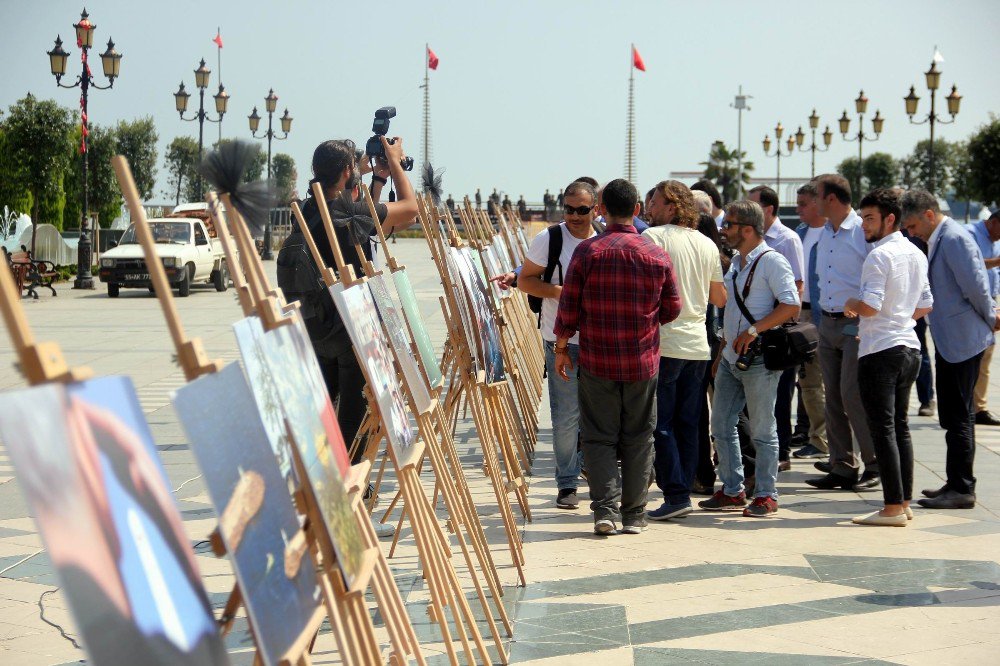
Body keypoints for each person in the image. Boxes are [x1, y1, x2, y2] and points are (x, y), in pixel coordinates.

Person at [280, 137, 417, 532]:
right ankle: (346, 498)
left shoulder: (306, 208)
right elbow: (410, 210)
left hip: (315, 324)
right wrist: (395, 164)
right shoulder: (346, 210)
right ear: (346, 173)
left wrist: (375, 180)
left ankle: (322, 487)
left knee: (323, 412)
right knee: (352, 417)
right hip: (348, 328)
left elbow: (366, 228)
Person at [553, 178, 681, 535]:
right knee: (640, 436)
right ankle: (635, 515)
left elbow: (569, 309)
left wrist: (561, 349)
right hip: (642, 362)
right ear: (637, 210)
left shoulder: (587, 253)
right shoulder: (656, 254)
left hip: (597, 360)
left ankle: (605, 511)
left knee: (598, 436)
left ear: (602, 210)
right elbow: (672, 309)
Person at [700, 200, 800, 517]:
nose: (724, 230)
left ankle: (767, 493)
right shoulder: (736, 264)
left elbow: (791, 305)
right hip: (731, 358)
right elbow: (731, 312)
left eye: (728, 225)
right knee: (721, 424)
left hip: (758, 360)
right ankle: (733, 489)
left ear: (747, 229)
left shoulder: (772, 262)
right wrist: (721, 353)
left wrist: (754, 331)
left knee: (762, 429)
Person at [901, 190, 998, 510]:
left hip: (965, 339)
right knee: (954, 415)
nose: (911, 232)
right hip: (950, 339)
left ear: (929, 215)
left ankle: (963, 487)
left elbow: (977, 286)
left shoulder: (954, 238)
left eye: (913, 225)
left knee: (959, 417)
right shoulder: (941, 237)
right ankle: (955, 481)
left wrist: (989, 320)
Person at [843, 189, 932, 526]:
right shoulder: (915, 253)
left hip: (881, 349)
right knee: (899, 428)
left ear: (889, 219)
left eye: (869, 218)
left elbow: (871, 305)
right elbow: (925, 305)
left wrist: (852, 303)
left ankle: (893, 507)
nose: (863, 225)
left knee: (883, 429)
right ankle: (903, 502)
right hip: (909, 346)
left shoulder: (879, 257)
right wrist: (901, 316)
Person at [642, 181, 726, 520]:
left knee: (661, 423)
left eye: (656, 202)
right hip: (697, 344)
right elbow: (719, 298)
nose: (650, 208)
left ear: (672, 205)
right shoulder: (706, 243)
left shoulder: (653, 238)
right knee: (689, 422)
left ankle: (675, 494)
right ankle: (685, 487)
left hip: (665, 341)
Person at [519, 180, 599, 509]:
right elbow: (525, 280)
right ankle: (566, 482)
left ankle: (593, 471)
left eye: (582, 209)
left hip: (599, 342)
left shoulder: (605, 239)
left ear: (596, 209)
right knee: (566, 415)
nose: (575, 216)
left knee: (598, 415)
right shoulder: (549, 239)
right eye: (569, 209)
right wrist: (557, 292)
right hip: (560, 341)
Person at [805, 174, 880, 492]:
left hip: (856, 325)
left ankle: (875, 462)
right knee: (832, 395)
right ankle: (842, 465)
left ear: (831, 199)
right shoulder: (825, 235)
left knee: (852, 393)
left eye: (816, 196)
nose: (813, 202)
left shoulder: (861, 233)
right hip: (829, 324)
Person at [748, 186, 804, 471]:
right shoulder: (752, 240)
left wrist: (776, 320)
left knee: (781, 395)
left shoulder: (787, 239)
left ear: (768, 209)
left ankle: (782, 451)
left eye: (753, 204)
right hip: (755, 327)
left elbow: (796, 286)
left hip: (777, 328)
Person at [792, 182, 829, 460]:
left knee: (821, 384)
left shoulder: (834, 233)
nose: (798, 209)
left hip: (823, 315)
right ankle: (815, 435)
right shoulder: (800, 234)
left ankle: (823, 439)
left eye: (803, 203)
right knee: (807, 382)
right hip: (800, 314)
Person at [967, 210, 1000, 425]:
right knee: (969, 356)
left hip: (991, 300)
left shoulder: (995, 241)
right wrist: (996, 261)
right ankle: (966, 404)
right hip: (972, 302)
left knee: (986, 356)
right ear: (994, 222)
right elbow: (971, 266)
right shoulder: (968, 234)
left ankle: (980, 408)